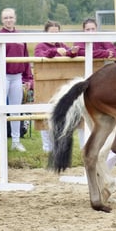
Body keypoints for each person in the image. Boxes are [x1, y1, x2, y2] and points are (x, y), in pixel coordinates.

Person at [34, 20, 80, 152]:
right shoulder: (40, 46)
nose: (55, 35)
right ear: (46, 33)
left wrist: (72, 52)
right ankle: (47, 147)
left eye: (57, 32)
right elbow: (40, 57)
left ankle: (58, 145)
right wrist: (55, 51)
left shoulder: (62, 45)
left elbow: (69, 55)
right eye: (51, 32)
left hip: (59, 83)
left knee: (60, 114)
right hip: (45, 85)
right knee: (44, 114)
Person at [0, 8, 33, 152]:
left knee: (16, 110)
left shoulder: (20, 37)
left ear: (15, 18)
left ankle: (16, 141)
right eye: (6, 18)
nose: (9, 20)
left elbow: (26, 58)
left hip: (17, 77)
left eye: (11, 17)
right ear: (2, 20)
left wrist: (28, 78)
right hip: (2, 76)